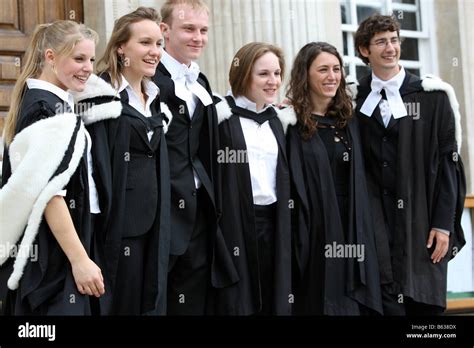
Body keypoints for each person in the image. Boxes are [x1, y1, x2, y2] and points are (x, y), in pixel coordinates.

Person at [0, 20, 121, 315]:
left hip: (65, 242)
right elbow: (50, 195)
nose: (88, 68)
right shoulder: (44, 109)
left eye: (91, 59)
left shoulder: (56, 103)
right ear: (50, 57)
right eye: (78, 58)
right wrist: (79, 259)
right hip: (53, 255)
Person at [353, 14, 466, 315]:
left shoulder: (434, 98)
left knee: (423, 311)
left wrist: (443, 225)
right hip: (375, 227)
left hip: (421, 221)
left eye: (394, 40)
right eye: (381, 42)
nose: (390, 48)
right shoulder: (353, 99)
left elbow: (448, 165)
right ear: (365, 50)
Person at [284, 42, 383, 315]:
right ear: (305, 74)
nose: (332, 76)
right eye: (323, 69)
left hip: (353, 222)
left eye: (337, 69)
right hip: (314, 227)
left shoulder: (351, 120)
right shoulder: (290, 123)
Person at [152, 0, 238, 315]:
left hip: (199, 213)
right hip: (160, 211)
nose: (198, 38)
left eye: (203, 30)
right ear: (165, 30)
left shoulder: (200, 81)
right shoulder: (149, 78)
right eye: (189, 29)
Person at [90, 7, 171, 315]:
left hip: (156, 227)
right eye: (145, 43)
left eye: (159, 44)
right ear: (121, 46)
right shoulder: (100, 96)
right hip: (118, 229)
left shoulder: (155, 97)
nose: (155, 52)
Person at [212, 42, 293, 315]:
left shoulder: (279, 121)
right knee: (239, 301)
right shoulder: (221, 118)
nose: (273, 81)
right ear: (244, 74)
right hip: (236, 222)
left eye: (277, 73)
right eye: (263, 74)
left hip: (274, 223)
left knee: (274, 297)